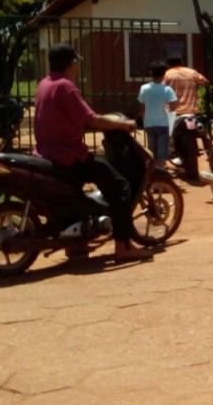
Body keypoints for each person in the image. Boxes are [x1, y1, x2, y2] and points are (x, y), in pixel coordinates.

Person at [34, 43, 152, 261]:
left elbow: (70, 117)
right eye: (76, 61)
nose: (77, 65)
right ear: (71, 64)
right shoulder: (66, 87)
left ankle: (76, 244)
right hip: (69, 155)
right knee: (120, 186)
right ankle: (123, 246)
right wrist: (122, 124)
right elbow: (92, 120)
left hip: (46, 152)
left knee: (76, 193)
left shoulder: (44, 84)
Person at [138, 61, 177, 170]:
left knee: (151, 150)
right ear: (164, 74)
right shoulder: (167, 89)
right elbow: (173, 107)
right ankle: (161, 170)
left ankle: (153, 170)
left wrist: (144, 121)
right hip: (163, 123)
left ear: (151, 73)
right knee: (162, 150)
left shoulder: (144, 88)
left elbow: (141, 108)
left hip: (149, 123)